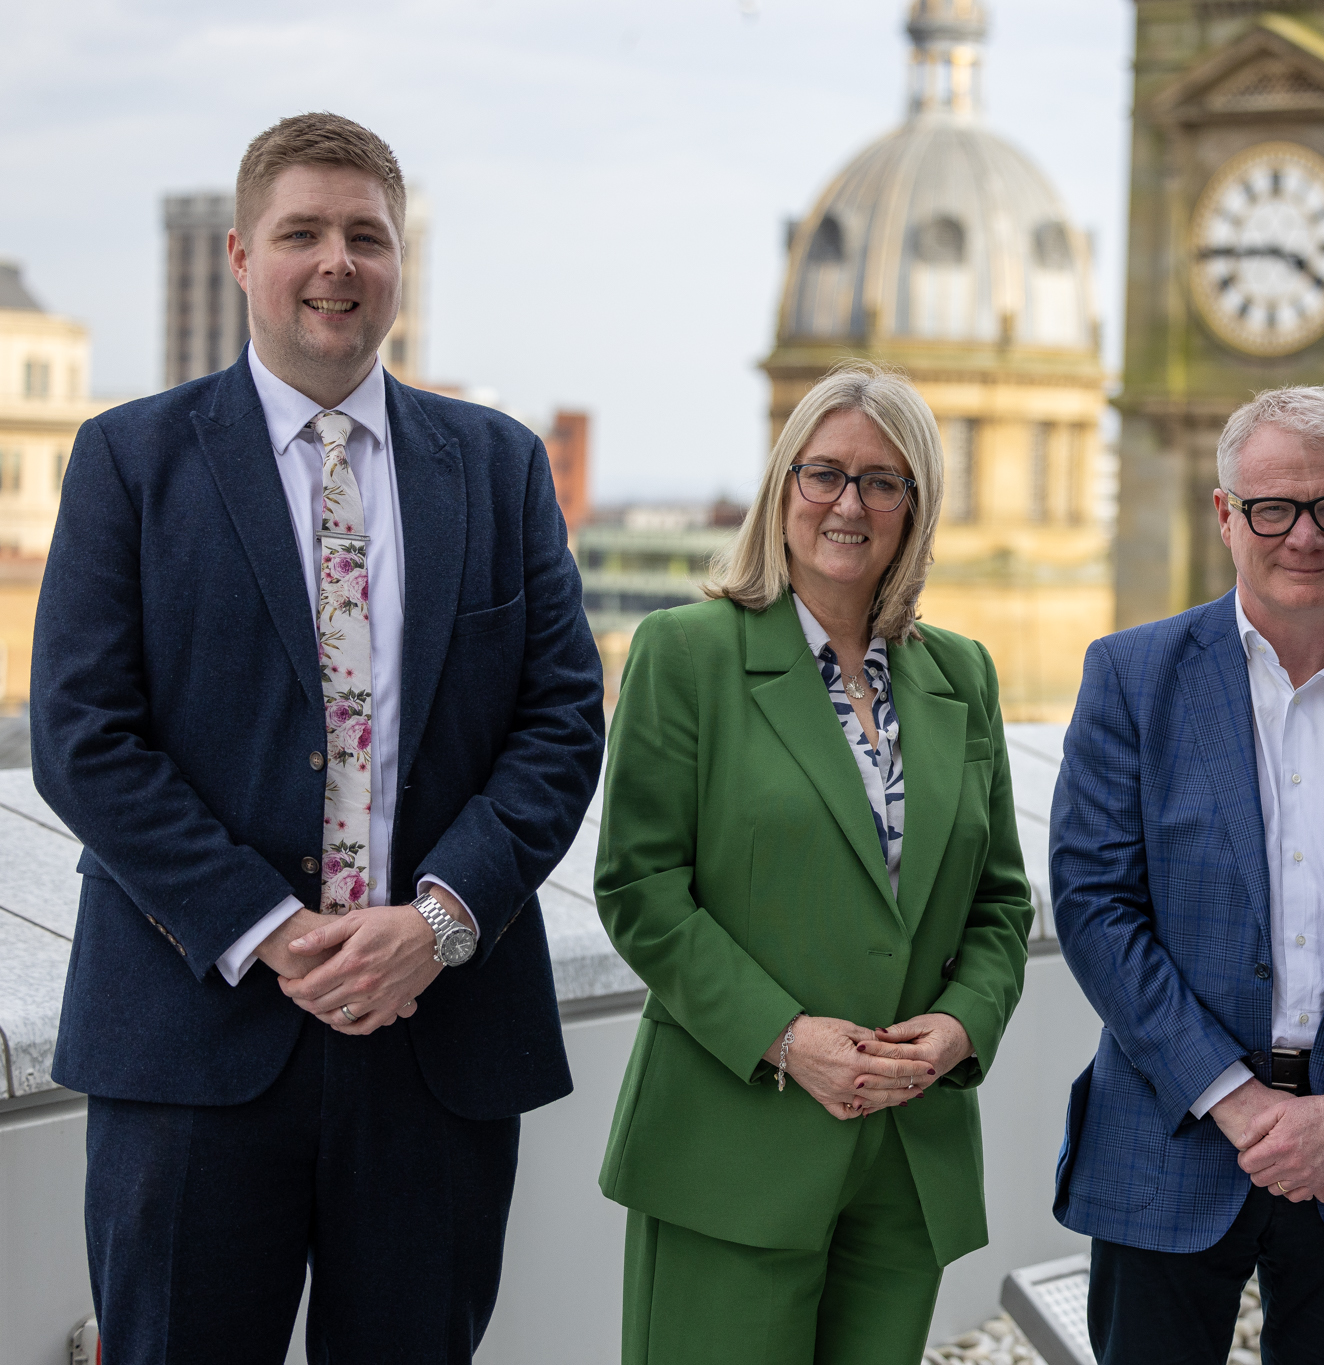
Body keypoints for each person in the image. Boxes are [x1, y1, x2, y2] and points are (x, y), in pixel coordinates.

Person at [30, 113, 606, 1362]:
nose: (336, 261)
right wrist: (274, 933)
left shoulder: (499, 469)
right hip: (194, 1037)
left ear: (401, 264)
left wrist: (439, 922)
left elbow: (561, 724)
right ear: (242, 255)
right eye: (303, 232)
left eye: (367, 236)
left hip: (434, 1038)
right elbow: (84, 734)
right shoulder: (130, 461)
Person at [1049, 386, 1324, 1364]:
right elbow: (1093, 906)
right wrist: (1235, 1099)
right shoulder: (1131, 679)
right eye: (1271, 508)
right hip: (1170, 1133)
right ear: (1225, 516)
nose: (1302, 534)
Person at [593, 361, 1034, 1365]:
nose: (848, 503)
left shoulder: (958, 674)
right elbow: (638, 890)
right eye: (822, 472)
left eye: (882, 481)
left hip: (904, 1158)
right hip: (731, 1149)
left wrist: (961, 1025)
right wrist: (788, 1039)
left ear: (914, 508)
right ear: (782, 486)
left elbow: (1001, 900)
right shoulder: (684, 654)